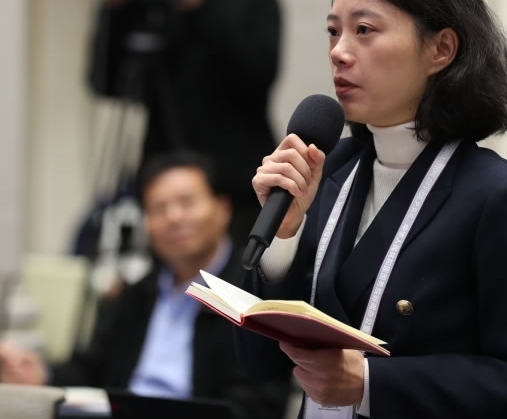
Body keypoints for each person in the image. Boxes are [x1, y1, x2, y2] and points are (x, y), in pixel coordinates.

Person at [233, 0, 507, 418]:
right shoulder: (327, 170)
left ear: (441, 49)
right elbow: (257, 362)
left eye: (365, 30)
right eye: (333, 31)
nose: (339, 52)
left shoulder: (498, 196)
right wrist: (283, 239)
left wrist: (371, 384)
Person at [0, 150, 290, 419]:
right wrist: (42, 374)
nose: (173, 217)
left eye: (187, 202)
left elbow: (261, 402)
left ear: (222, 209)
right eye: (158, 208)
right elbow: (90, 370)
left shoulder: (254, 292)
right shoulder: (137, 293)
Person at [88, 0, 281, 244]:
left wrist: (199, 9)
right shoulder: (150, 0)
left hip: (235, 189)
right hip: (164, 183)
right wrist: (115, 5)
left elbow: (257, 78)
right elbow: (105, 82)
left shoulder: (254, 0)